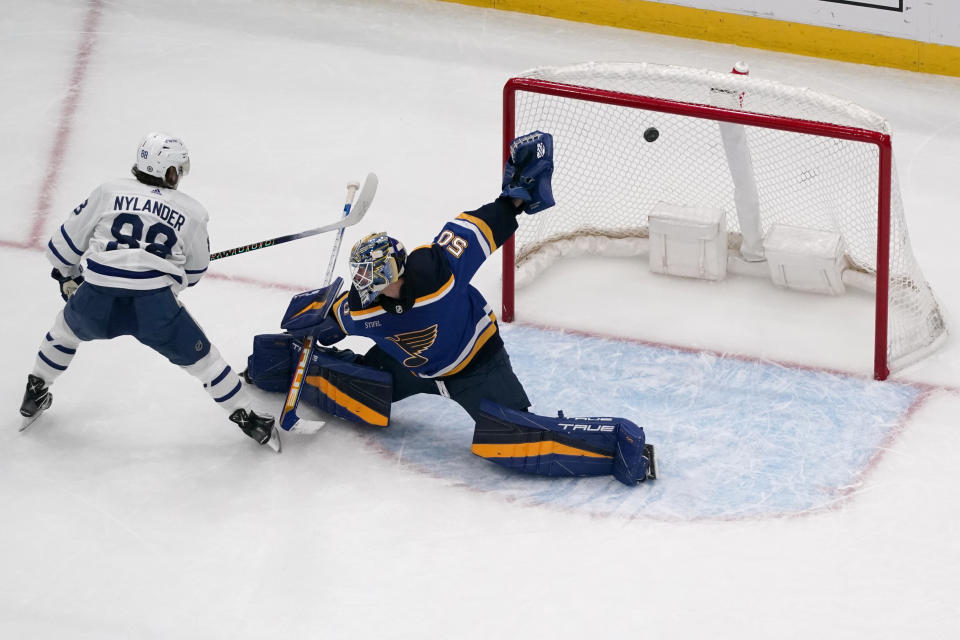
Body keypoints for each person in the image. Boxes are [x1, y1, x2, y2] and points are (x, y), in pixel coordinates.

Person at [259, 131, 656, 484]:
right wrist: (311, 320)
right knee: (357, 390)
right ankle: (273, 366)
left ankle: (619, 446)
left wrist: (515, 199)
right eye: (360, 277)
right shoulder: (361, 307)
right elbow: (321, 318)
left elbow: (485, 225)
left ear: (393, 271)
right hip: (410, 367)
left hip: (478, 367)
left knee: (514, 440)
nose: (364, 286)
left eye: (371, 276)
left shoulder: (437, 270)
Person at [19, 132, 281, 452]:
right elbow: (196, 272)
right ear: (168, 171)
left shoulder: (108, 191)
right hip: (154, 306)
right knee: (206, 362)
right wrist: (168, 276)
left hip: (98, 295)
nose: (180, 176)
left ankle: (35, 390)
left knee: (62, 334)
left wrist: (67, 277)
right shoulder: (193, 211)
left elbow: (62, 249)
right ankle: (250, 419)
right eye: (178, 169)